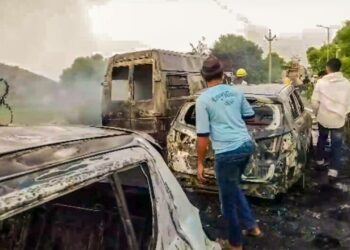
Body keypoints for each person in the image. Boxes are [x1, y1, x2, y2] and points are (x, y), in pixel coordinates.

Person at [196, 56, 262, 250]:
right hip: (246, 146)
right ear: (223, 74)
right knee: (233, 187)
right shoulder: (236, 92)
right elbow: (250, 116)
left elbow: (202, 136)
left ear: (203, 77)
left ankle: (235, 244)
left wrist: (200, 163)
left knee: (228, 202)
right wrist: (231, 116)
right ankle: (252, 227)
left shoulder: (203, 100)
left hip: (227, 153)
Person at [311, 58, 350, 180]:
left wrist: (317, 113)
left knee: (322, 139)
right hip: (338, 119)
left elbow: (314, 101)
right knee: (337, 145)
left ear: (328, 68)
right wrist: (345, 113)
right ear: (339, 69)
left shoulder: (321, 83)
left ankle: (319, 161)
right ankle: (333, 171)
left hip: (323, 117)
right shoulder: (346, 83)